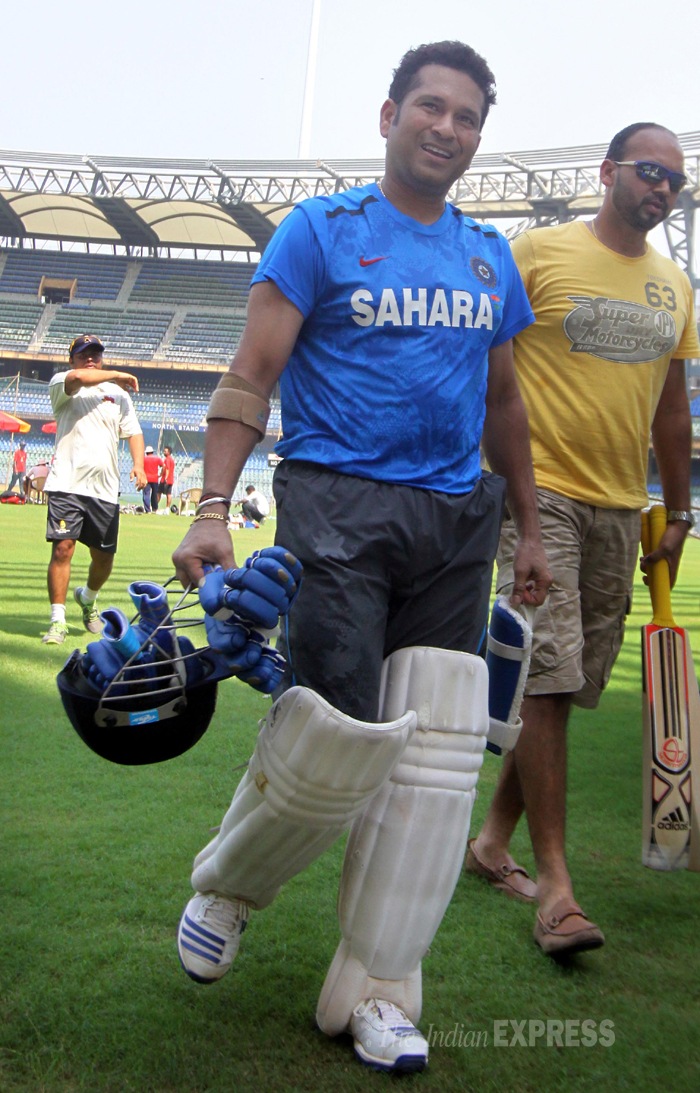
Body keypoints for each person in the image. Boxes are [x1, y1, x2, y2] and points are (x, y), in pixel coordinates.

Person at [172, 41, 550, 1073]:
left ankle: (379, 986)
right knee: (336, 736)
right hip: (336, 502)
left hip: (453, 519)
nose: (448, 128)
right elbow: (252, 371)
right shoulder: (320, 230)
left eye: (467, 116)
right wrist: (212, 504)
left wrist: (524, 520)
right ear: (387, 117)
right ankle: (229, 885)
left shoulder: (488, 256)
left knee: (432, 759)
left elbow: (505, 400)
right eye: (430, 107)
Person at [466, 122, 700, 957]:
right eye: (648, 171)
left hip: (620, 508)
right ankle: (557, 886)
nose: (663, 188)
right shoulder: (536, 252)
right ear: (608, 173)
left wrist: (677, 514)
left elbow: (673, 411)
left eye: (674, 180)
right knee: (548, 674)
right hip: (540, 495)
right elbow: (484, 368)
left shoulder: (676, 285)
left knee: (566, 684)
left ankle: (491, 841)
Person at [41, 334, 147, 644]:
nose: (91, 358)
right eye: (84, 353)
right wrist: (116, 373)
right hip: (67, 483)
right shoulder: (63, 383)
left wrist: (139, 464)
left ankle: (87, 598)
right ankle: (57, 620)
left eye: (96, 353)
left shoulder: (119, 396)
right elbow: (78, 378)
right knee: (63, 549)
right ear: (71, 358)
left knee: (104, 559)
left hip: (104, 489)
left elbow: (134, 432)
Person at [142, 445, 163, 513]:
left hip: (146, 479)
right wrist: (161, 474)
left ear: (146, 453)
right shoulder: (157, 459)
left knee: (146, 494)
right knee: (154, 494)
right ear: (152, 452)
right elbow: (163, 466)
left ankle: (147, 510)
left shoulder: (143, 459)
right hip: (155, 479)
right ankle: (154, 508)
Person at [158, 445, 175, 511]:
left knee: (158, 493)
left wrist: (165, 477)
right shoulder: (171, 460)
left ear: (169, 452)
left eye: (165, 451)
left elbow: (167, 468)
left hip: (165, 480)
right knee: (169, 493)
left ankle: (155, 506)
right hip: (170, 480)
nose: (164, 452)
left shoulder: (167, 459)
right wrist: (161, 474)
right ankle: (167, 508)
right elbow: (164, 468)